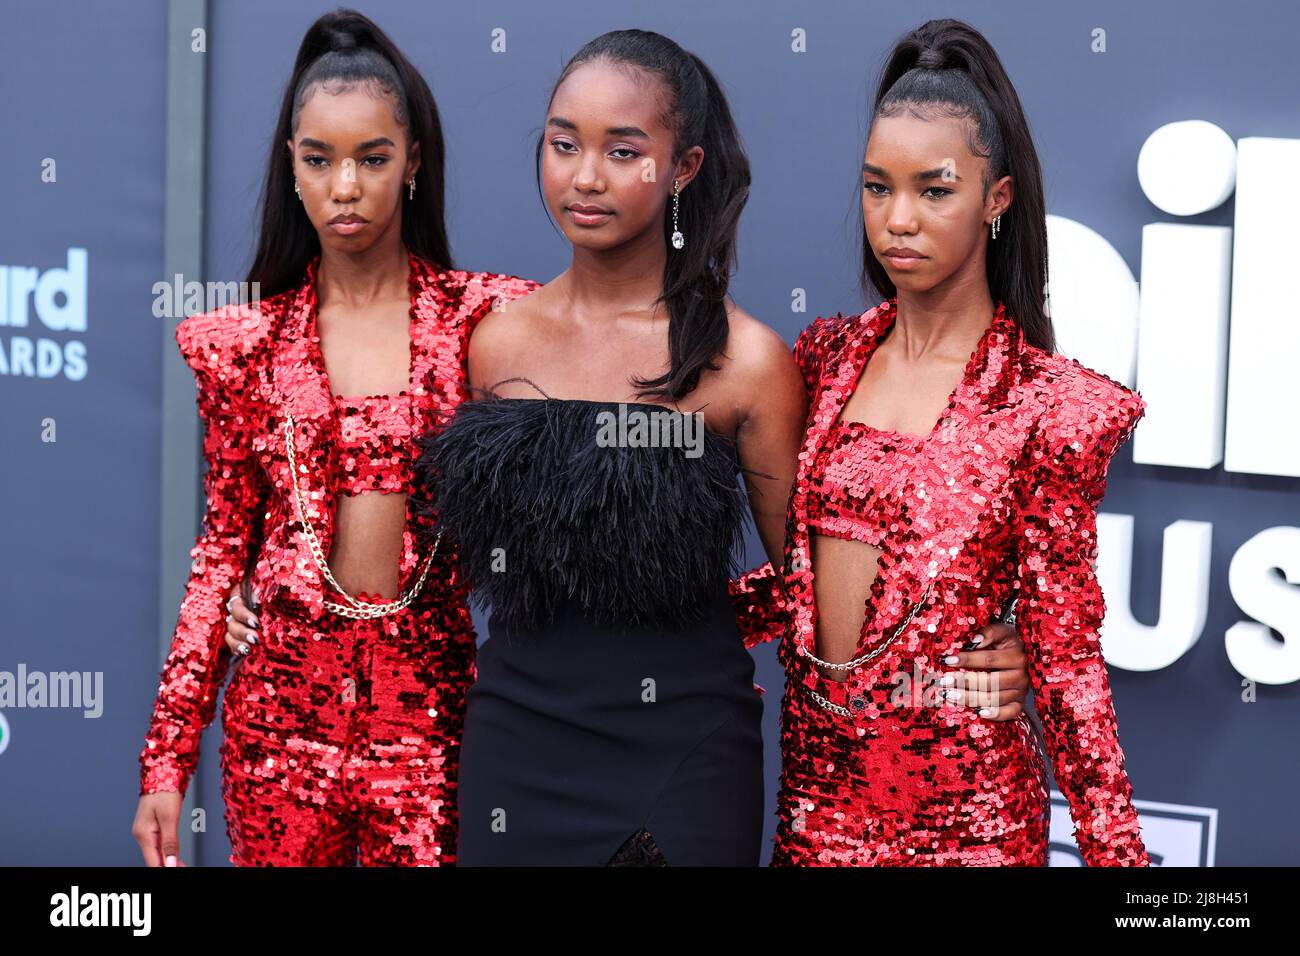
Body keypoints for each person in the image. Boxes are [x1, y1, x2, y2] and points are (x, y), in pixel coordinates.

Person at [410, 29, 1031, 867]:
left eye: (623, 150)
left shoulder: (747, 364)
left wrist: (992, 642)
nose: (584, 176)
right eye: (564, 144)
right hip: (515, 747)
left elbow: (809, 589)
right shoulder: (493, 342)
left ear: (685, 169)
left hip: (681, 758)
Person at [131, 9, 538, 867]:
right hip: (277, 727)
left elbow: (605, 324)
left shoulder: (484, 323)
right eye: (319, 160)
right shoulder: (241, 345)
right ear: (292, 166)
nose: (345, 187)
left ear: (413, 163)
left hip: (428, 722)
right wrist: (166, 759)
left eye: (373, 159)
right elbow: (221, 552)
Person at [768, 19, 1150, 866]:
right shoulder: (822, 361)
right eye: (877, 188)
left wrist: (1126, 868)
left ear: (997, 198)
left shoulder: (1051, 407)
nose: (897, 220)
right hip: (811, 814)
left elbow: (1067, 666)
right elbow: (805, 581)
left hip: (966, 830)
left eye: (933, 190)